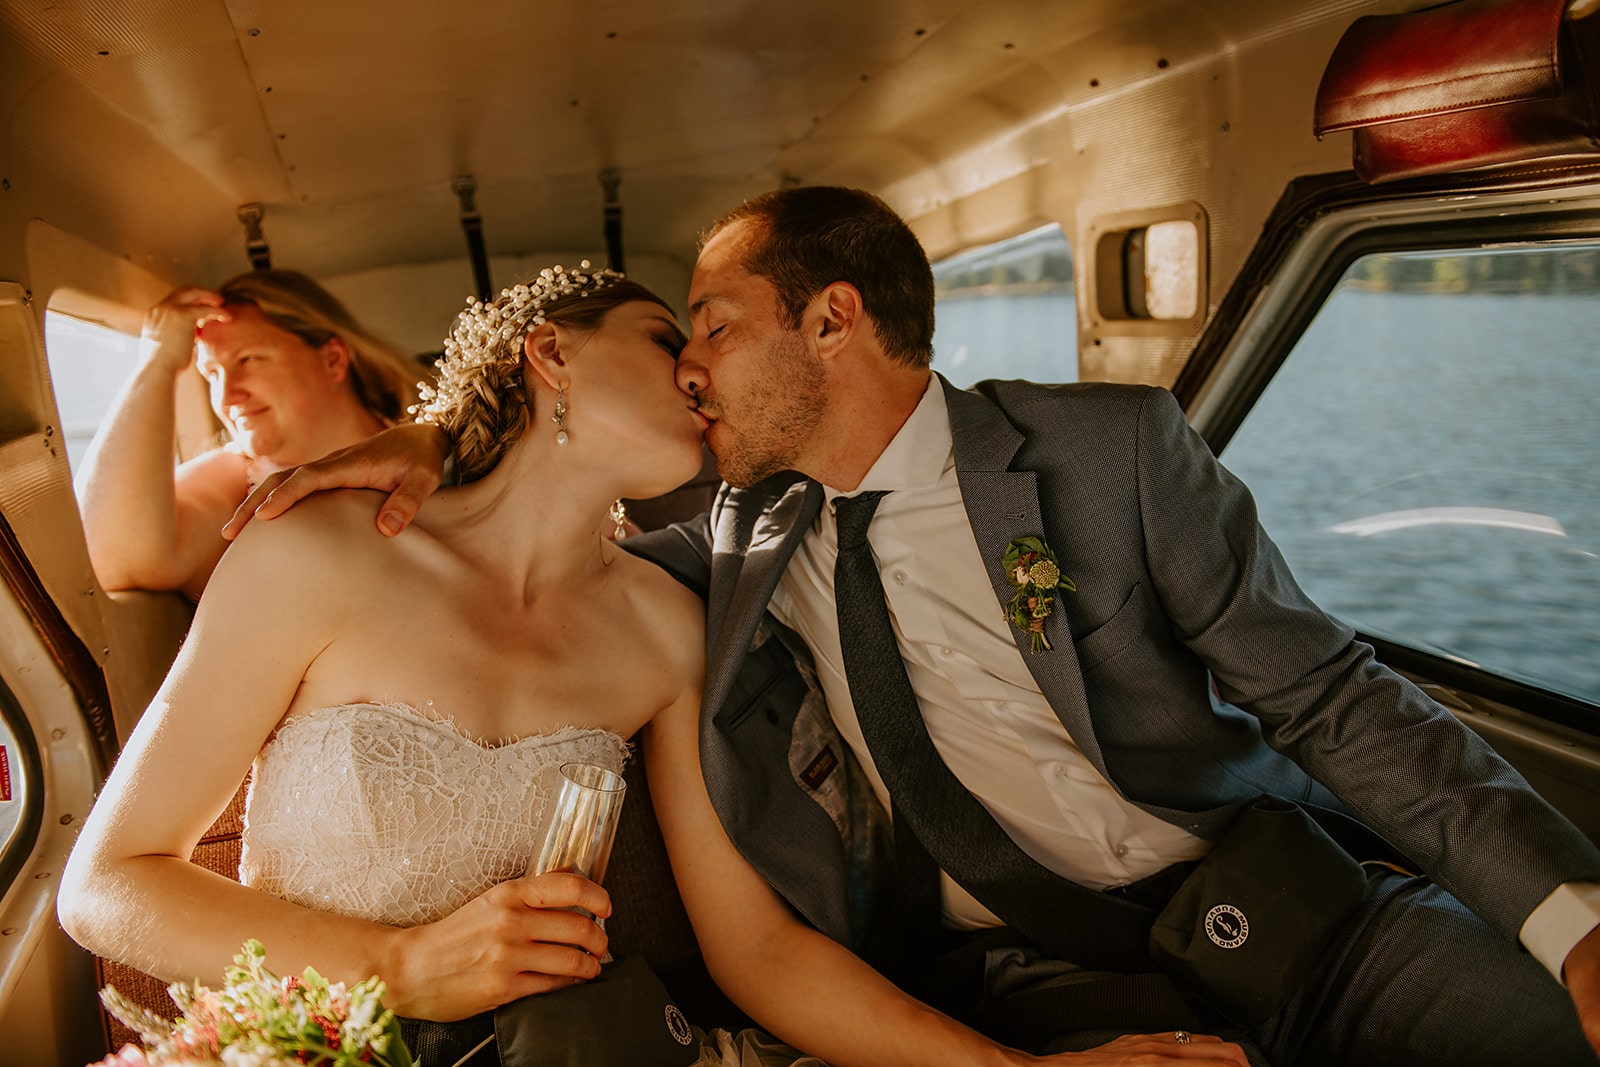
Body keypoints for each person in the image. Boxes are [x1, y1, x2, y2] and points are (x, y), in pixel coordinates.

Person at [223, 186, 1600, 1066]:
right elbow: (530, 515)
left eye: (710, 323)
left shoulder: (1110, 454)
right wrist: (429, 452)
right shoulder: (714, 533)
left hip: (1315, 911)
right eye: (674, 340)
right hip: (1041, 976)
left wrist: (1573, 923)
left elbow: (1337, 700)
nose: (692, 368)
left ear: (832, 321)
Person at [59, 264, 1235, 1067]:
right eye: (668, 336)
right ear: (549, 354)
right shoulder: (315, 554)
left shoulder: (664, 626)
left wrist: (1013, 1064)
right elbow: (106, 881)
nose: (700, 366)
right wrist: (399, 966)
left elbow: (756, 948)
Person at [76, 269, 419, 599]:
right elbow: (117, 558)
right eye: (212, 374)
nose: (227, 397)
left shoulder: (431, 443)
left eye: (249, 360)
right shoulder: (233, 481)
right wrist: (159, 359)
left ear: (332, 360)